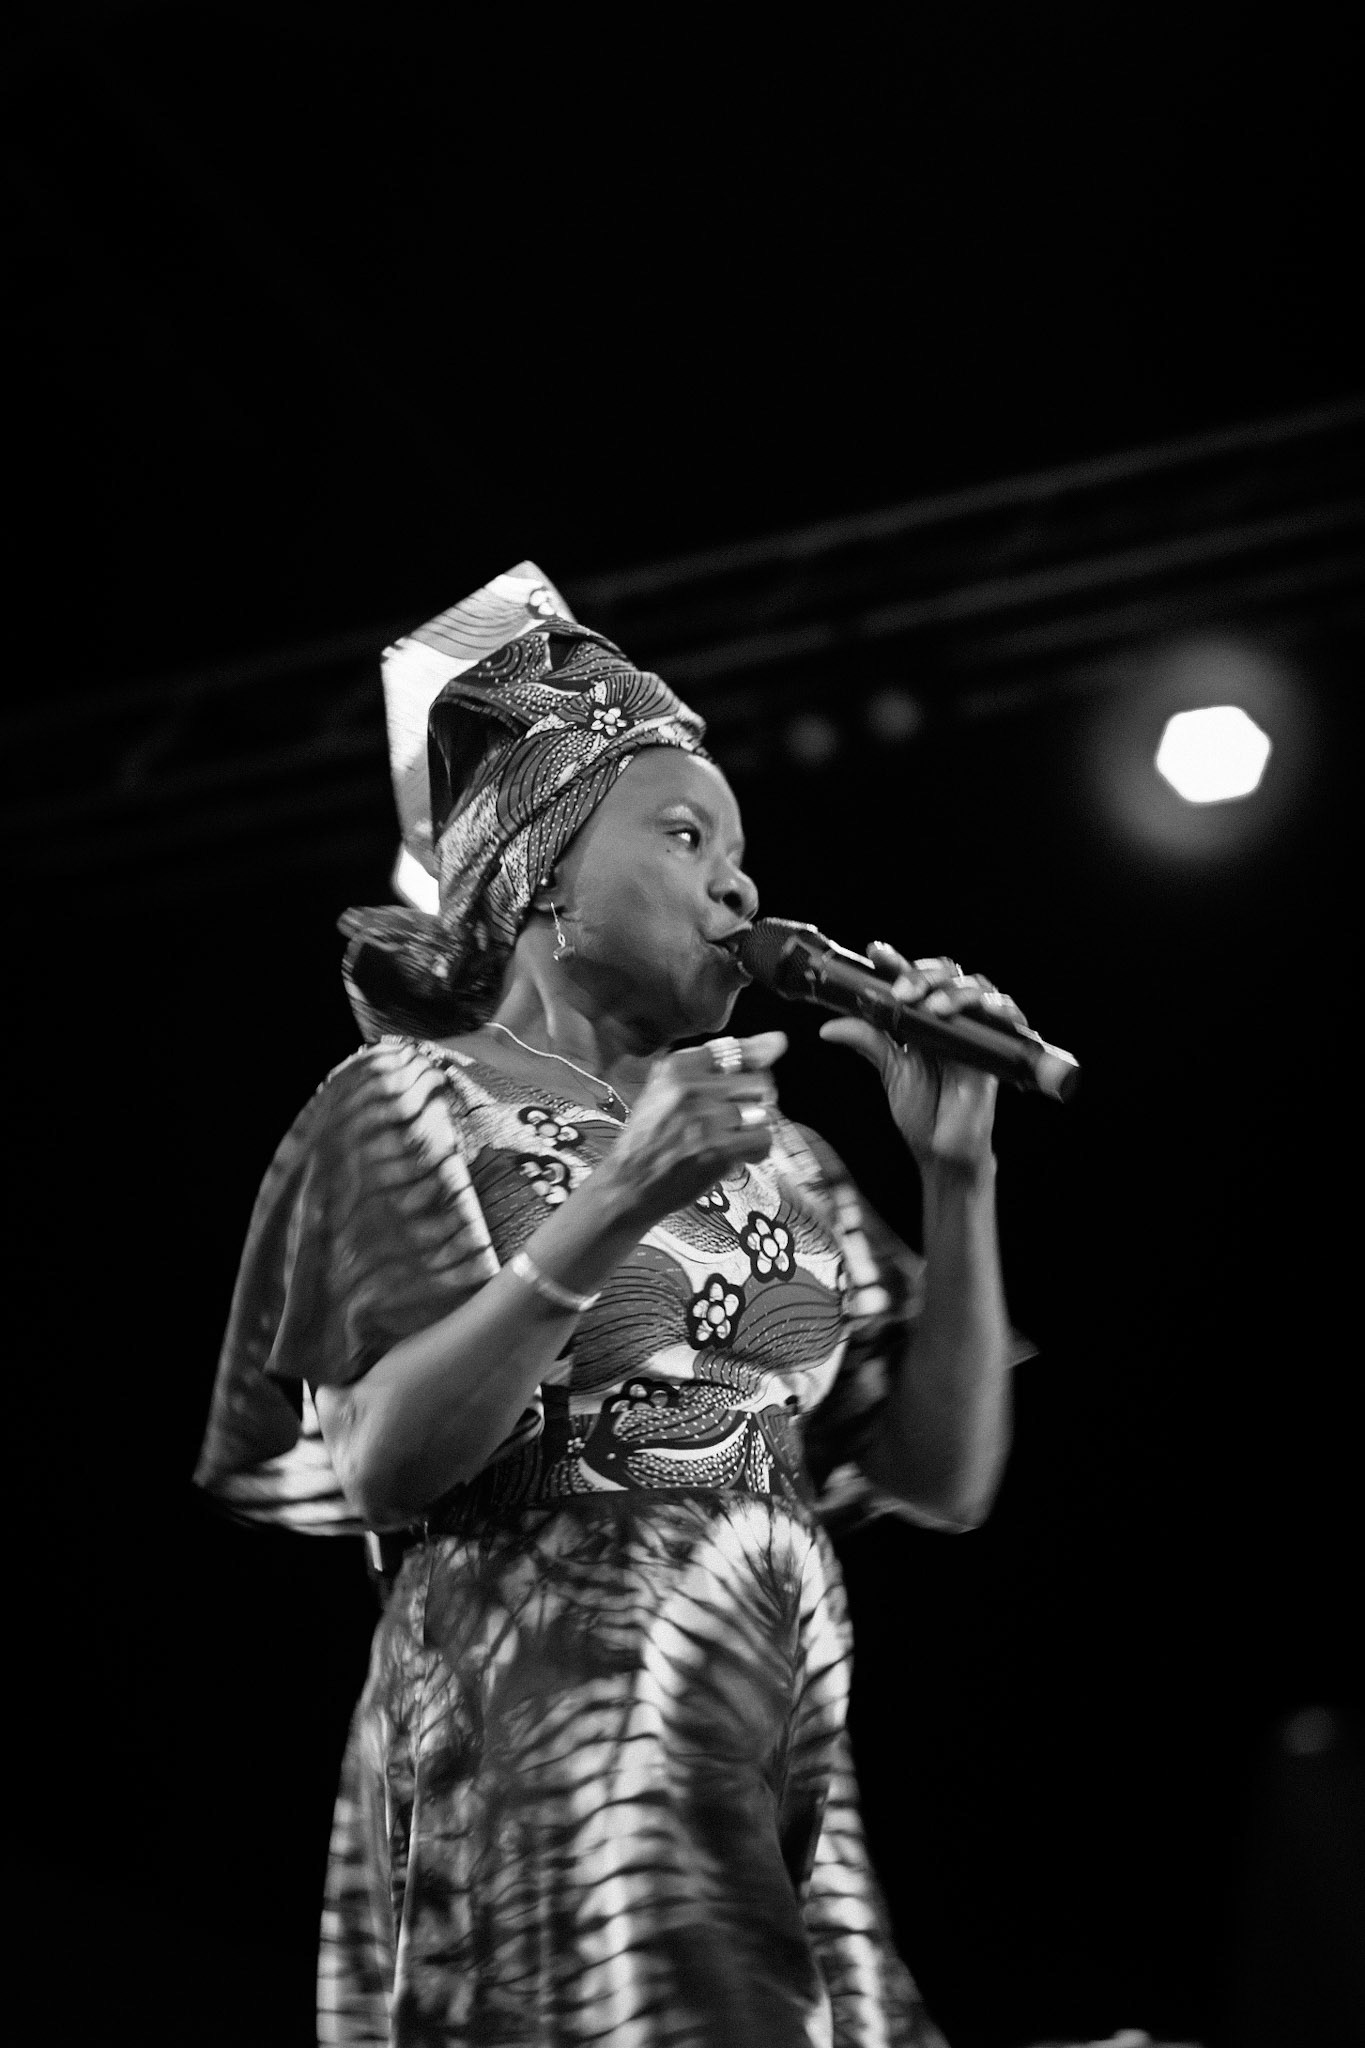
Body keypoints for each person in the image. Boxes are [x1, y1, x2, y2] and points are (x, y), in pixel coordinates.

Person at [195, 565, 1032, 2048]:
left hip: (764, 1743)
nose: (740, 885)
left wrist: (953, 1175)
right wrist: (616, 1201)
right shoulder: (404, 1102)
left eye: (743, 849)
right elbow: (386, 1459)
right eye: (686, 834)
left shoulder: (778, 1148)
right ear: (539, 875)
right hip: (537, 1741)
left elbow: (940, 1482)